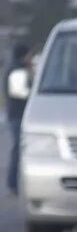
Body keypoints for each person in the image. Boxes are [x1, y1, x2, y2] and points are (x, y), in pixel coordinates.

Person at [5, 42, 31, 196]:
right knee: (18, 150)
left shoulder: (16, 68)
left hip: (15, 114)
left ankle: (13, 182)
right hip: (18, 115)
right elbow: (22, 94)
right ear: (23, 55)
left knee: (17, 149)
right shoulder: (17, 70)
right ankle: (13, 182)